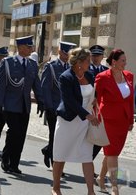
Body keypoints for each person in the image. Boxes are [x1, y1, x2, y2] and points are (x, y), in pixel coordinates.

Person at [52, 48, 99, 195]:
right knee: (60, 156)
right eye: (87, 61)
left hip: (85, 123)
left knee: (87, 156)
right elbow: (70, 101)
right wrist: (87, 115)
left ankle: (91, 192)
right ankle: (56, 188)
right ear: (79, 62)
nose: (90, 64)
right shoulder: (66, 77)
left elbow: (94, 95)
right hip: (68, 121)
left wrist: (95, 107)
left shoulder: (90, 75)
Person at [0, 35, 44, 174]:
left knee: (21, 135)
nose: (31, 49)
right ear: (21, 47)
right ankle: (6, 159)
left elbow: (36, 85)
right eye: (29, 47)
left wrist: (41, 101)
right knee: (14, 132)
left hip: (25, 106)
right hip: (10, 105)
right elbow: (1, 85)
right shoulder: (7, 62)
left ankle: (14, 164)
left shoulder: (32, 64)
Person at [95, 49, 134, 195]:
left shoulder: (129, 75)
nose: (125, 63)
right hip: (108, 121)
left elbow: (130, 101)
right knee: (112, 154)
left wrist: (130, 120)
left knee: (113, 153)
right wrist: (96, 117)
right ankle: (115, 188)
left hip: (123, 121)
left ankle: (100, 178)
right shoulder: (102, 77)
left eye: (125, 60)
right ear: (114, 62)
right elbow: (96, 99)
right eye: (123, 60)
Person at [40, 41, 76, 168]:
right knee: (54, 135)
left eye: (69, 54)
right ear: (60, 52)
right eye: (66, 53)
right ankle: (55, 164)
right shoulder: (51, 66)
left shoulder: (71, 68)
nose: (67, 56)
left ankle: (48, 150)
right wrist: (48, 107)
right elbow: (45, 88)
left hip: (67, 110)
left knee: (65, 138)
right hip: (54, 107)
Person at [88, 45, 109, 177]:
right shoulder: (85, 69)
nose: (96, 58)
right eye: (93, 55)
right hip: (87, 108)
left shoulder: (106, 71)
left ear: (102, 57)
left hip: (100, 109)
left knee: (98, 139)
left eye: (98, 55)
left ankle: (88, 162)